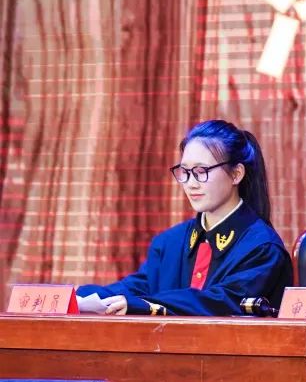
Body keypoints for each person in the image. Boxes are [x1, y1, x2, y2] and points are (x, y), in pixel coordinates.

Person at [76, 120, 292, 316]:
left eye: (201, 171)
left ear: (236, 174)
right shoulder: (169, 242)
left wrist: (147, 305)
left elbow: (222, 301)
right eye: (185, 172)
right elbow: (137, 287)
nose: (191, 183)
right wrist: (76, 296)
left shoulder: (261, 248)